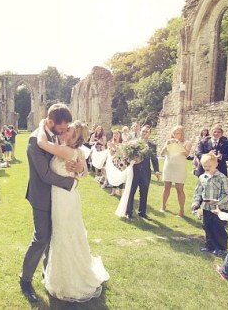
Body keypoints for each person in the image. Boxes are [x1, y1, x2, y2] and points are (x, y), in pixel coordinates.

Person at [36, 119, 109, 301]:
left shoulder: (67, 150)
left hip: (63, 198)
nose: (64, 130)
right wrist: (79, 171)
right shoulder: (75, 151)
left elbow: (41, 143)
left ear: (75, 136)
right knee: (69, 233)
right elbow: (84, 173)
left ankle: (69, 281)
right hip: (68, 197)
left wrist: (40, 126)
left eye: (68, 130)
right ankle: (70, 272)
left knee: (63, 233)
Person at [20, 103, 84, 303]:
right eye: (62, 128)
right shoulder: (34, 141)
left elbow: (73, 161)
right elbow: (45, 174)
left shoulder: (56, 135)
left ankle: (49, 274)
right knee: (41, 238)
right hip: (42, 197)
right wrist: (71, 182)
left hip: (59, 198)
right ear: (50, 122)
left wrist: (78, 168)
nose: (65, 132)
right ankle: (25, 280)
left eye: (67, 129)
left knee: (54, 237)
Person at [191, 153, 228, 257]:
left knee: (218, 227)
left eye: (209, 166)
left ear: (216, 164)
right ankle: (209, 245)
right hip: (206, 208)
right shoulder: (202, 177)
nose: (207, 168)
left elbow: (227, 194)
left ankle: (220, 247)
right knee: (207, 226)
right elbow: (198, 192)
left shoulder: (222, 177)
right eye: (205, 166)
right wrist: (196, 202)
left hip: (220, 208)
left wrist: (217, 203)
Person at [125, 125, 160, 220]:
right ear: (140, 131)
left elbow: (154, 158)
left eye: (146, 132)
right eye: (143, 131)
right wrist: (131, 161)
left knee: (144, 193)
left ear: (149, 133)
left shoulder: (152, 144)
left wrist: (156, 170)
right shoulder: (134, 142)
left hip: (146, 171)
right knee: (131, 192)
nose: (144, 133)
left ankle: (142, 212)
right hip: (134, 170)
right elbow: (127, 156)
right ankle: (128, 212)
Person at [160, 125, 192, 217]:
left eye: (178, 133)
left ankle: (181, 211)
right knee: (166, 187)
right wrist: (166, 146)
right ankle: (163, 206)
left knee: (179, 189)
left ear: (182, 134)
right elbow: (162, 153)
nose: (176, 135)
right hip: (168, 165)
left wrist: (179, 144)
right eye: (174, 133)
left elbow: (186, 154)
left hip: (179, 167)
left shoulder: (187, 142)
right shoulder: (168, 141)